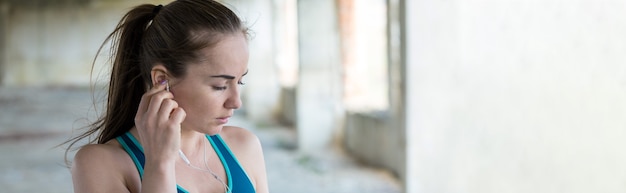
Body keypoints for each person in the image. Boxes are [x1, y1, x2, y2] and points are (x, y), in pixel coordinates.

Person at [65, 0, 268, 192]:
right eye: (220, 86)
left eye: (239, 81)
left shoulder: (244, 146)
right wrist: (159, 162)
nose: (236, 102)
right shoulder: (99, 164)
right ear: (162, 80)